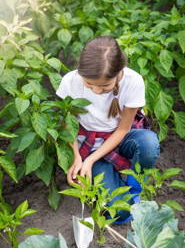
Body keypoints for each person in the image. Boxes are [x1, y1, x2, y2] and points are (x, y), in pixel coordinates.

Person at [56, 36, 160, 224]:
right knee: (118, 213)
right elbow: (67, 125)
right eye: (89, 84)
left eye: (104, 86)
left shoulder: (133, 81)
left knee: (148, 144)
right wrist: (77, 158)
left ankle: (134, 186)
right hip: (90, 144)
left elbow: (123, 130)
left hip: (121, 138)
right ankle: (113, 181)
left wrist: (90, 161)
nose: (96, 91)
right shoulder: (70, 81)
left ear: (119, 72)